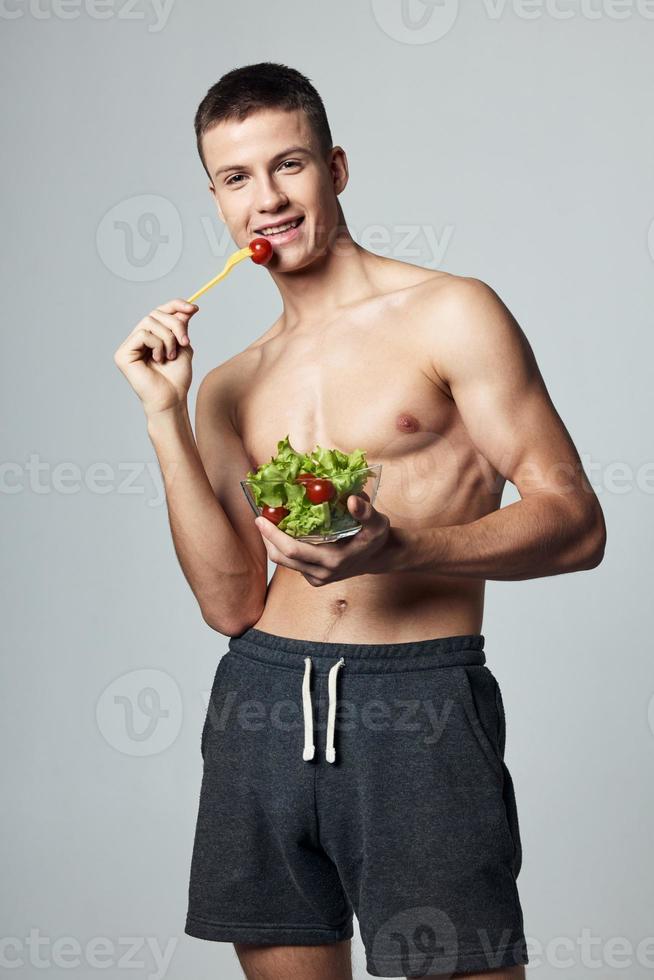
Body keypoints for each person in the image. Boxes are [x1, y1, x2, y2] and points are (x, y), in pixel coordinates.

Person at [113, 62, 606, 980]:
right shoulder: (227, 385)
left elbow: (577, 522)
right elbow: (228, 603)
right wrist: (164, 415)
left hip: (416, 702)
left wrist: (404, 546)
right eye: (235, 178)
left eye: (288, 165)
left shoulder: (450, 312)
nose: (266, 199)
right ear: (217, 201)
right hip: (261, 704)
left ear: (336, 168)